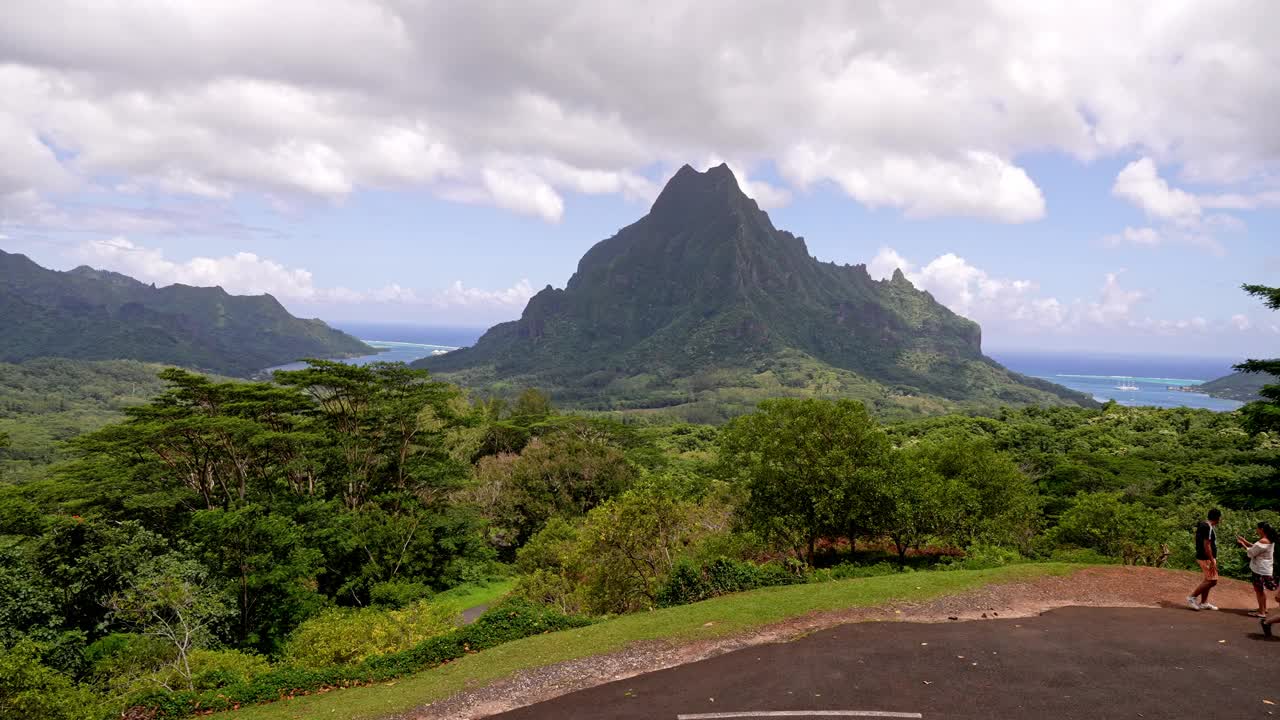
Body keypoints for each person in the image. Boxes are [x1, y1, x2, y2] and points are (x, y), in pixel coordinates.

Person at [1237, 521, 1277, 618]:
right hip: (1266, 568)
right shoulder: (1269, 539)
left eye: (1257, 528)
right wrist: (1245, 541)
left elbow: (1251, 553)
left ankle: (1261, 612)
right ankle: (1263, 608)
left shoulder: (1262, 541)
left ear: (1261, 529)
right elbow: (1256, 548)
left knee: (1259, 590)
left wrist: (1243, 545)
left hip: (1259, 569)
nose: (1256, 530)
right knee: (1262, 589)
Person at [1187, 508, 1221, 611]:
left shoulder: (1203, 524)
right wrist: (1211, 560)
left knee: (1208, 579)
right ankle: (1192, 598)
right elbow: (1207, 545)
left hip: (1203, 556)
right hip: (1206, 557)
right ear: (1217, 518)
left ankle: (1204, 602)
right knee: (1212, 580)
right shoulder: (1208, 527)